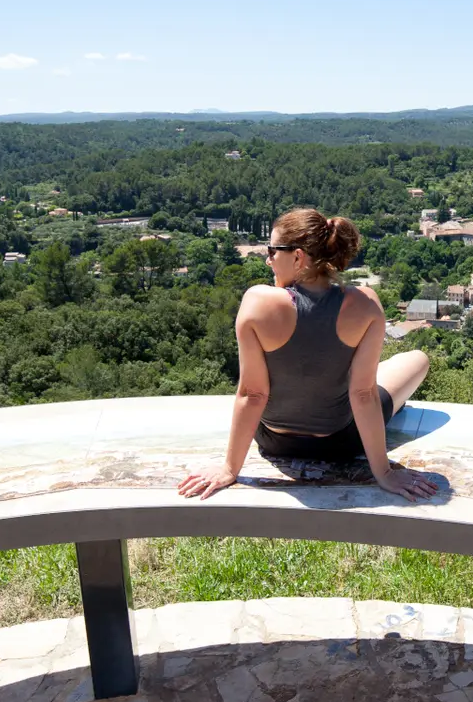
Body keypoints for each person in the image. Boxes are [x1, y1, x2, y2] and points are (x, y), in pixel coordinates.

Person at [177, 208, 436, 501]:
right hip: (342, 443)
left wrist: (229, 468)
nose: (268, 259)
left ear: (298, 257)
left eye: (272, 251)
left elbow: (252, 394)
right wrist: (384, 474)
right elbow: (363, 394)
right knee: (417, 359)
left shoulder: (256, 302)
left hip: (274, 442)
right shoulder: (365, 303)